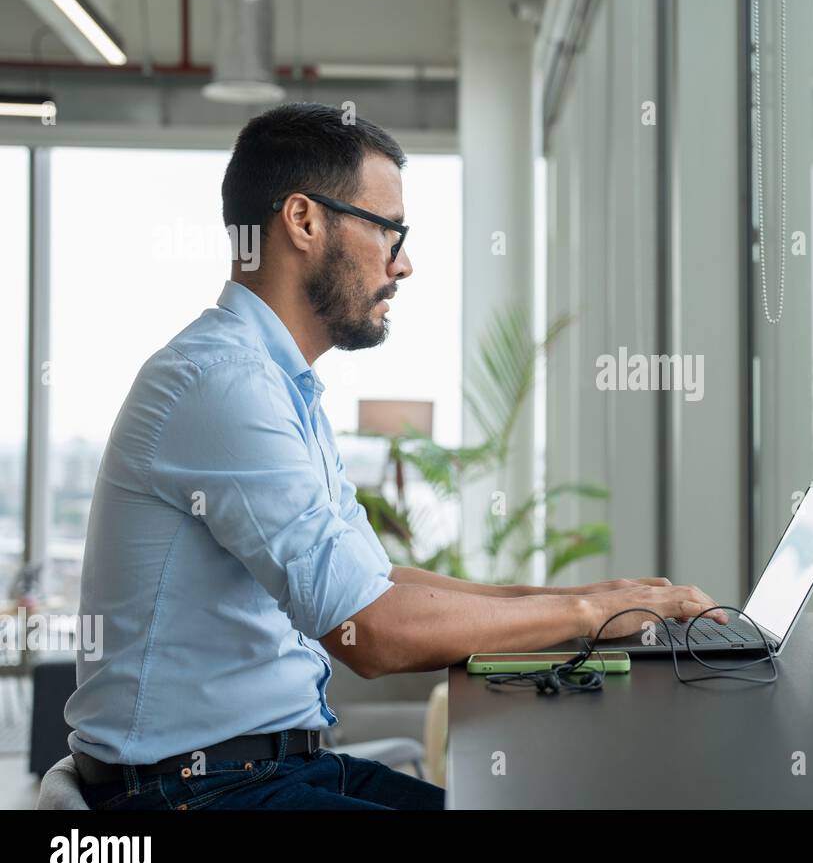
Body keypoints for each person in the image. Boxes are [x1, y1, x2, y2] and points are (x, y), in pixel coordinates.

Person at [64, 102, 727, 810]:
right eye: (388, 230)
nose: (403, 263)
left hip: (270, 772)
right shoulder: (220, 383)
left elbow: (375, 581)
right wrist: (590, 614)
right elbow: (370, 633)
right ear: (304, 220)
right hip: (196, 795)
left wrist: (601, 600)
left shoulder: (277, 385)